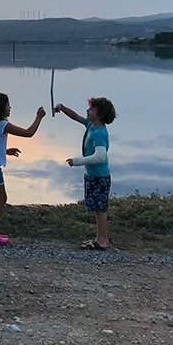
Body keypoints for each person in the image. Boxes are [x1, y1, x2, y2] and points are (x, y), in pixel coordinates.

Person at [0, 92, 46, 245]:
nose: (10, 108)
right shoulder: (2, 124)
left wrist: (5, 151)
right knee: (1, 198)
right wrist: (39, 116)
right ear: (1, 108)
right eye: (7, 105)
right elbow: (28, 133)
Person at [54, 97, 117, 250]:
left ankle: (102, 241)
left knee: (100, 208)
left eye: (92, 109)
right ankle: (101, 238)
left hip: (99, 176)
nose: (88, 110)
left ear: (100, 115)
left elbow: (100, 156)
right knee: (97, 207)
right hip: (92, 174)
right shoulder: (91, 125)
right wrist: (62, 108)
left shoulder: (99, 133)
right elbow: (76, 116)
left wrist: (77, 161)